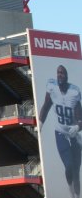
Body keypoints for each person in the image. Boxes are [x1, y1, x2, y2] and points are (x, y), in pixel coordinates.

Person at [40, 65, 82, 198]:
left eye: (62, 73)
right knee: (69, 165)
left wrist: (78, 127)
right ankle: (71, 190)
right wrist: (40, 123)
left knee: (76, 169)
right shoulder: (52, 88)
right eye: (58, 72)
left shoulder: (74, 92)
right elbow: (46, 106)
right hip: (60, 133)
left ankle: (78, 195)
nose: (59, 75)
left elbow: (80, 117)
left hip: (74, 135)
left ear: (67, 76)